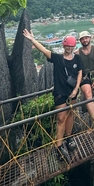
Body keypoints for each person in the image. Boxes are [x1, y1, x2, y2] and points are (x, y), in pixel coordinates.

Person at [23, 30, 82, 162]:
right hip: (60, 93)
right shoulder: (57, 58)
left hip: (72, 92)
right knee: (61, 119)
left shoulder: (77, 58)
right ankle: (58, 146)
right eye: (67, 45)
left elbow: (80, 73)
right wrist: (32, 40)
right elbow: (44, 50)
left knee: (71, 114)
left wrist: (76, 89)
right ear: (64, 46)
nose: (69, 48)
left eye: (71, 46)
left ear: (74, 47)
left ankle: (69, 138)